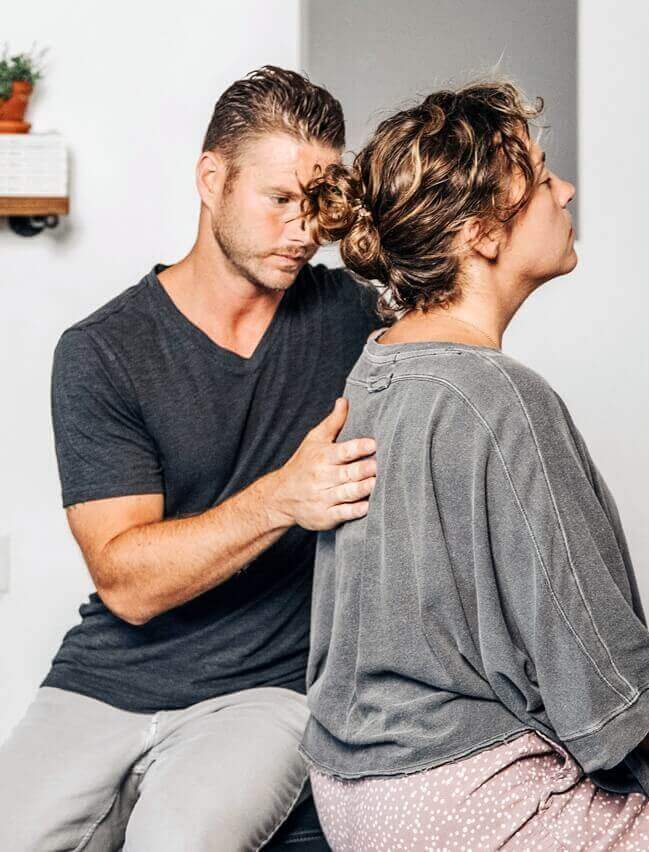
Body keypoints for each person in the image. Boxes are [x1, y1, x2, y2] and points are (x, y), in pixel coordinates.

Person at [0, 66, 383, 851]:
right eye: (278, 200)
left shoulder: (356, 318)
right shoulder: (101, 351)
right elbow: (127, 582)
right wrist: (282, 497)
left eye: (317, 204)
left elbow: (468, 299)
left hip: (264, 693)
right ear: (211, 179)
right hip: (104, 680)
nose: (302, 229)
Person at [298, 80, 649, 850]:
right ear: (483, 234)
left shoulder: (375, 368)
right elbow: (596, 671)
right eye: (543, 178)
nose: (567, 190)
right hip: (466, 798)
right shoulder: (500, 396)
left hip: (355, 794)